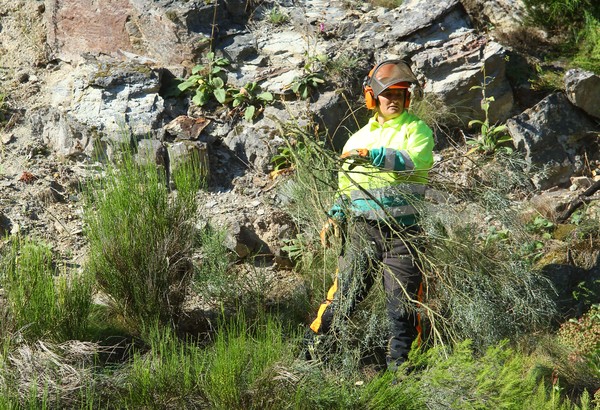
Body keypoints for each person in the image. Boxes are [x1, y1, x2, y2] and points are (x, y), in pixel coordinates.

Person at [305, 59, 434, 371]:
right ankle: (311, 355)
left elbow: (413, 161)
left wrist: (375, 156)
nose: (395, 100)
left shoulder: (417, 131)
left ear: (408, 98)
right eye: (388, 94)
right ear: (373, 98)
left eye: (401, 94)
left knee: (401, 309)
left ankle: (401, 374)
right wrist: (335, 215)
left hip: (405, 236)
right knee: (342, 298)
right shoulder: (357, 139)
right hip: (364, 231)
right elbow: (346, 188)